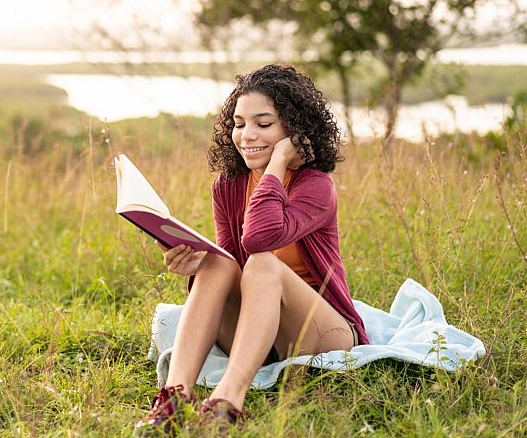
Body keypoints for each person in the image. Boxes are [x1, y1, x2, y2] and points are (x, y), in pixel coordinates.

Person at [134, 63, 369, 434]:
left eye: (264, 124)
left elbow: (260, 239)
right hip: (257, 334)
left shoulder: (315, 186)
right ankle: (174, 398)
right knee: (218, 262)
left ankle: (227, 402)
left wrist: (276, 164)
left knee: (262, 262)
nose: (247, 136)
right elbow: (232, 265)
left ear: (293, 129)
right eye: (239, 124)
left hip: (320, 335)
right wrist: (195, 267)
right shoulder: (227, 186)